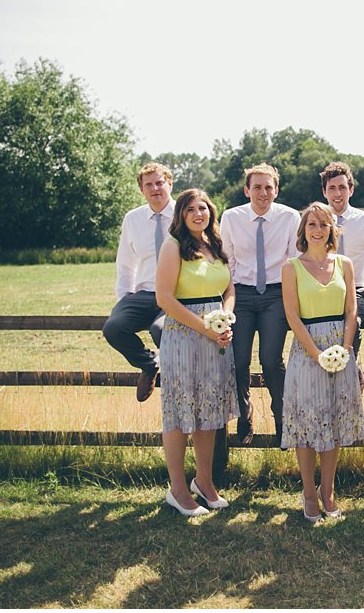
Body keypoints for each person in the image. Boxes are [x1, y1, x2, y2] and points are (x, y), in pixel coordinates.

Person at [280, 203, 364, 522]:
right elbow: (292, 315)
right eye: (312, 224)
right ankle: (307, 492)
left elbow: (351, 312)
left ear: (333, 229)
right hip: (307, 350)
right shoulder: (291, 267)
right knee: (308, 424)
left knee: (334, 422)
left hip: (340, 347)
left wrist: (345, 349)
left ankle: (327, 491)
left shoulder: (344, 264)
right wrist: (316, 354)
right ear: (303, 230)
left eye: (324, 224)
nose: (318, 230)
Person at [153, 188, 238, 517]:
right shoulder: (173, 246)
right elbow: (165, 298)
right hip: (183, 336)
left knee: (209, 413)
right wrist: (205, 327)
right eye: (191, 209)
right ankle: (177, 490)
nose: (198, 214)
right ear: (181, 215)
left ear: (211, 212)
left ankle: (204, 481)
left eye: (203, 208)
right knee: (179, 414)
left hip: (216, 338)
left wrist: (226, 318)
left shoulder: (214, 245)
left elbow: (228, 288)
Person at [219, 163, 301, 447]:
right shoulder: (231, 218)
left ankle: (282, 418)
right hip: (240, 294)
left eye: (269, 187)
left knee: (270, 360)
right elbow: (226, 261)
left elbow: (294, 261)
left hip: (276, 296)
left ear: (276, 190)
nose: (263, 193)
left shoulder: (290, 218)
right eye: (257, 187)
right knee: (238, 360)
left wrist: (292, 301)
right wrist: (226, 299)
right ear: (247, 190)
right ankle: (244, 415)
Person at [103, 163, 175, 402]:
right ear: (142, 190)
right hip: (143, 294)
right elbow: (125, 262)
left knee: (161, 330)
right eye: (149, 185)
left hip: (176, 294)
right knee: (114, 328)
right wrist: (125, 298)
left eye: (159, 183)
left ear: (169, 184)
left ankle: (177, 384)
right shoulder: (132, 219)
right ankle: (149, 364)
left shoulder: (186, 213)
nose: (155, 188)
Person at [320, 161, 364, 354]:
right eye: (332, 188)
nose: (337, 194)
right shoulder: (315, 223)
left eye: (342, 187)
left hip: (355, 291)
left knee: (351, 323)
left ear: (351, 190)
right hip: (322, 290)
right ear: (324, 192)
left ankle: (352, 368)